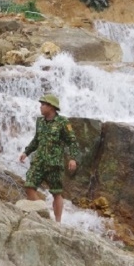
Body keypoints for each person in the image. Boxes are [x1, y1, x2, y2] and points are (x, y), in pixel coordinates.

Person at [18, 95, 82, 223]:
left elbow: (72, 142)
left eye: (43, 104)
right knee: (29, 185)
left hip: (54, 164)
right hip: (38, 162)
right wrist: (26, 152)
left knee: (56, 193)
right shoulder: (40, 122)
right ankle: (43, 213)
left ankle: (57, 223)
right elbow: (36, 140)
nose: (40, 107)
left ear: (51, 107)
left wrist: (73, 158)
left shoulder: (63, 122)